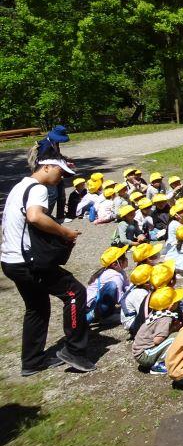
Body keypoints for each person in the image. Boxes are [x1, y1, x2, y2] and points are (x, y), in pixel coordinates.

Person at [1, 156, 93, 374]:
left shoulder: (19, 186)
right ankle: (75, 352)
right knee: (75, 293)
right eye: (60, 173)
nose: (62, 178)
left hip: (10, 261)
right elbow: (34, 217)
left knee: (37, 307)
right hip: (28, 262)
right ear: (46, 167)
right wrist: (65, 232)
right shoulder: (38, 188)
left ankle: (32, 361)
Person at [131, 285, 183, 374]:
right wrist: (172, 330)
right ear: (171, 306)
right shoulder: (165, 318)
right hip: (145, 355)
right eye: (177, 301)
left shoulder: (156, 313)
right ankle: (159, 364)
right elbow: (157, 340)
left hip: (140, 352)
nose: (179, 302)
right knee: (175, 336)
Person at [85, 245, 131, 324]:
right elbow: (120, 299)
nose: (126, 259)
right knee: (112, 286)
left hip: (97, 303)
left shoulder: (120, 272)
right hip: (91, 307)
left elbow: (127, 287)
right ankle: (102, 316)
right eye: (123, 258)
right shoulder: (115, 275)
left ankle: (106, 314)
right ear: (115, 264)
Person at [121, 264, 153, 335]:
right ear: (146, 283)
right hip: (132, 323)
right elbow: (144, 313)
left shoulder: (139, 288)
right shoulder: (140, 293)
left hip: (135, 318)